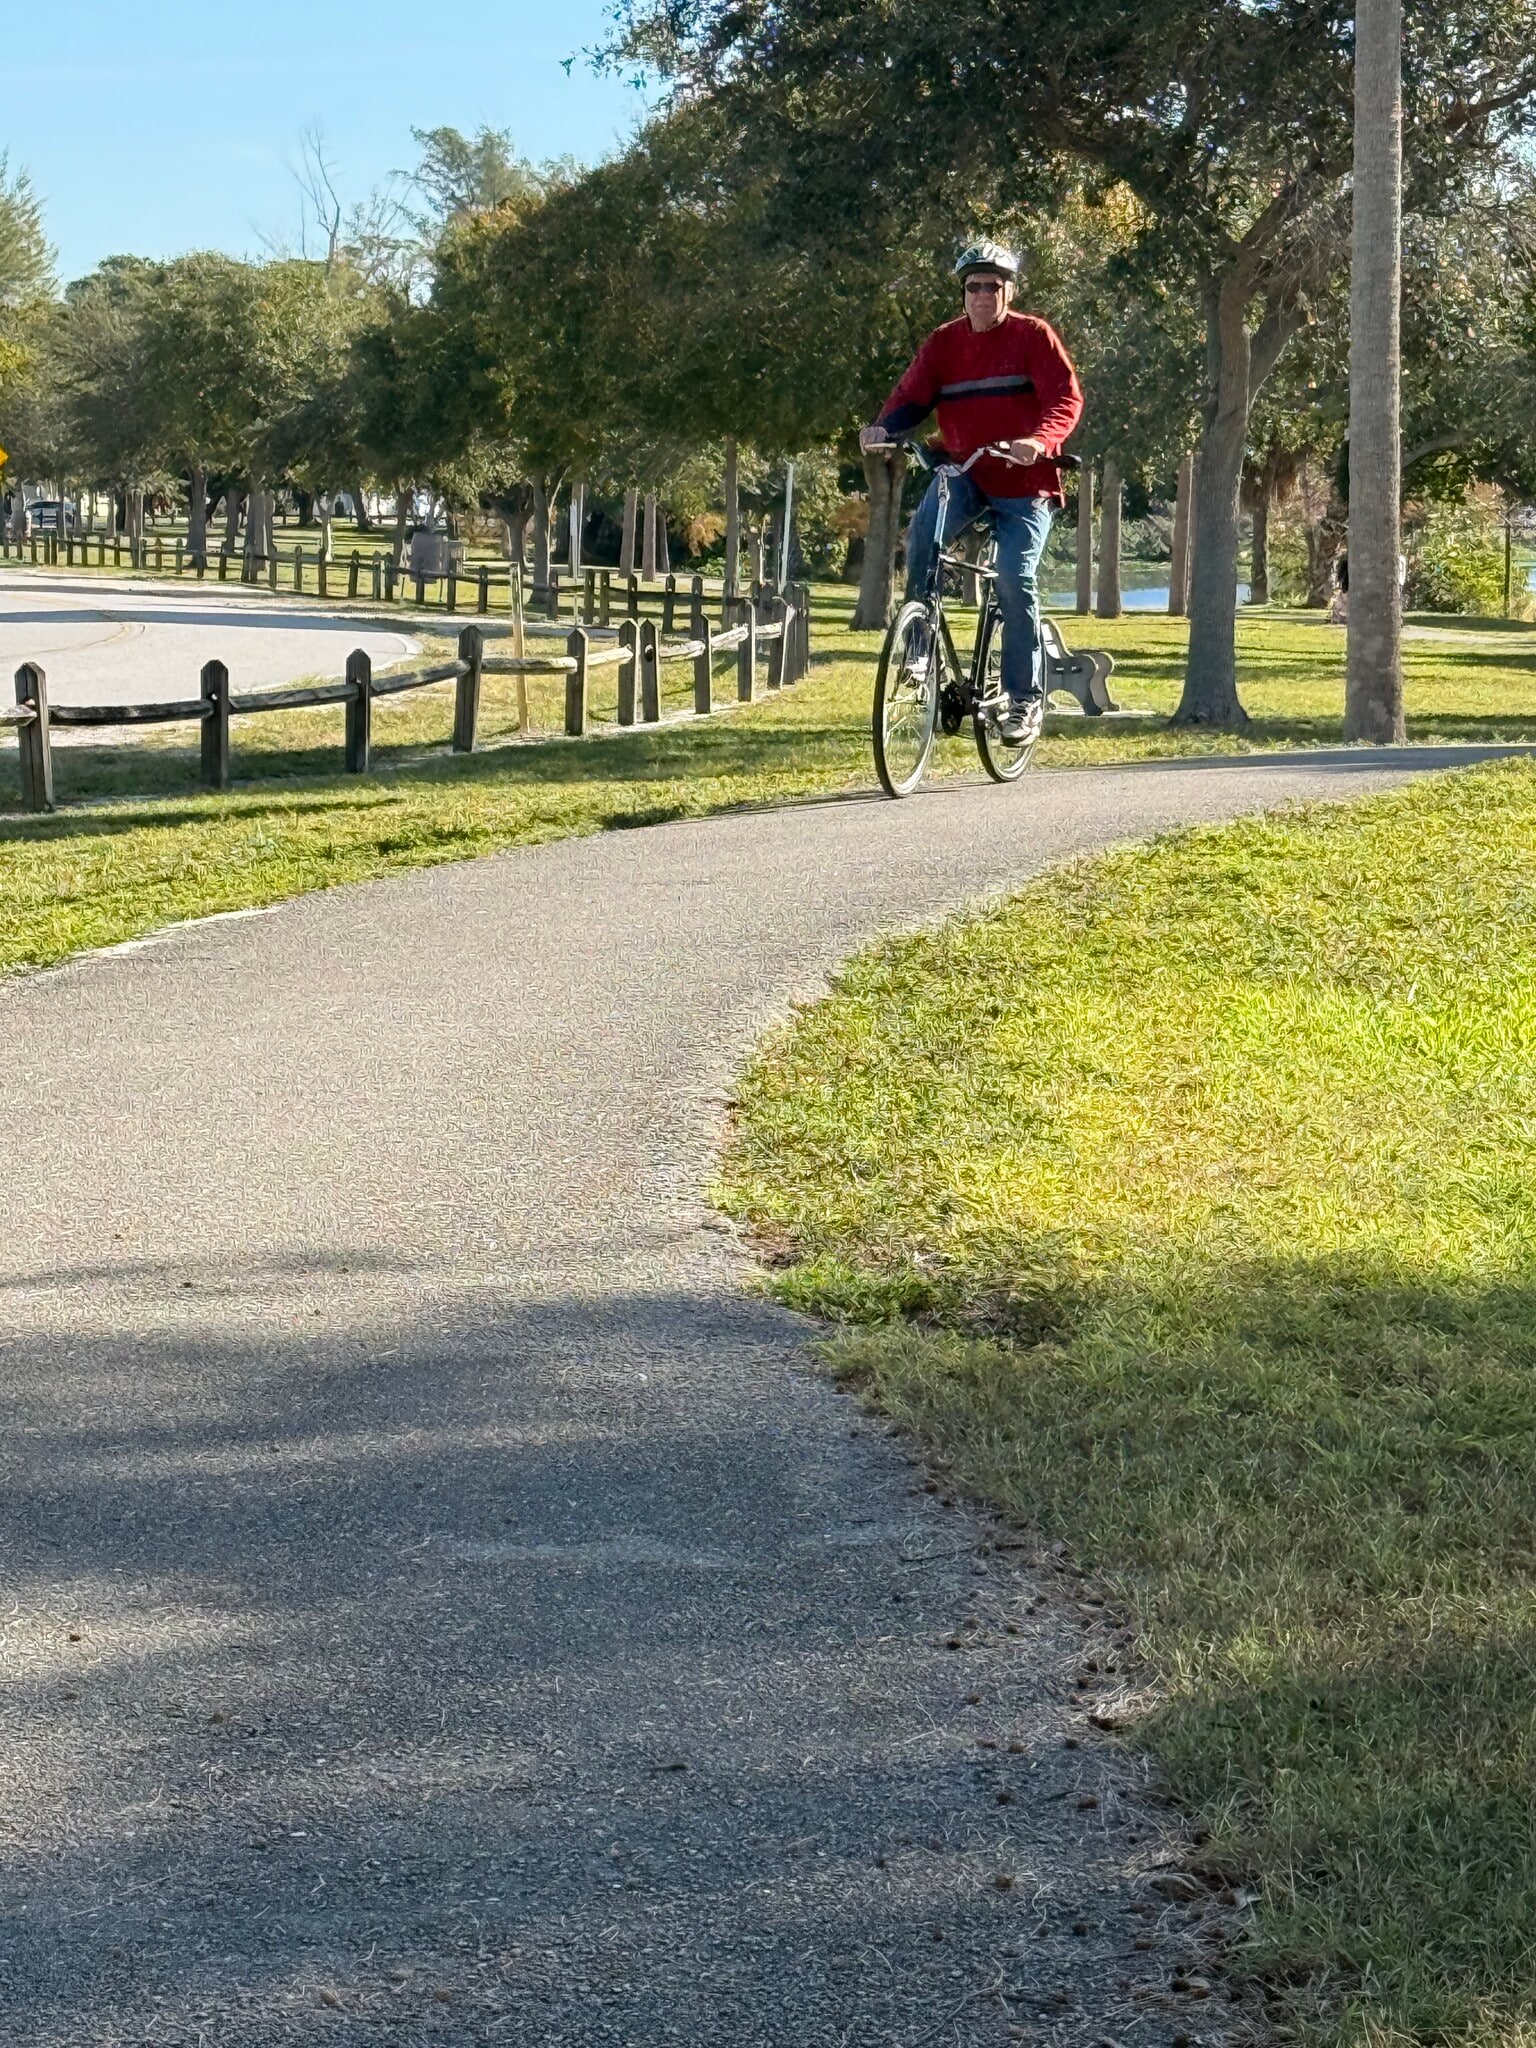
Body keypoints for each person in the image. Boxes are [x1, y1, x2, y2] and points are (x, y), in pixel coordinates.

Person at [861, 241, 1083, 740]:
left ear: (1009, 291)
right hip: (964, 472)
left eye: (992, 286)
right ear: (963, 294)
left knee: (1013, 578)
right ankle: (919, 651)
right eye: (973, 286)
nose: (982, 294)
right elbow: (911, 396)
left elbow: (1065, 400)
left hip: (1025, 482)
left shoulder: (1033, 336)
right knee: (923, 538)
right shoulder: (944, 343)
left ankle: (1024, 701)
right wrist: (883, 428)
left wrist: (1039, 441)